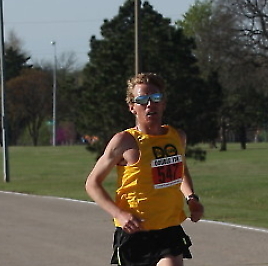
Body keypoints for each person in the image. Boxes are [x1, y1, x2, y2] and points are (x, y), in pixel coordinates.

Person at [85, 72, 204, 266]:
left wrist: (191, 198)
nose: (150, 104)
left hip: (168, 228)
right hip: (135, 232)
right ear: (132, 107)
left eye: (156, 98)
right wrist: (119, 214)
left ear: (163, 103)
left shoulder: (177, 137)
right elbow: (92, 183)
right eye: (142, 100)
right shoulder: (124, 141)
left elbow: (179, 169)